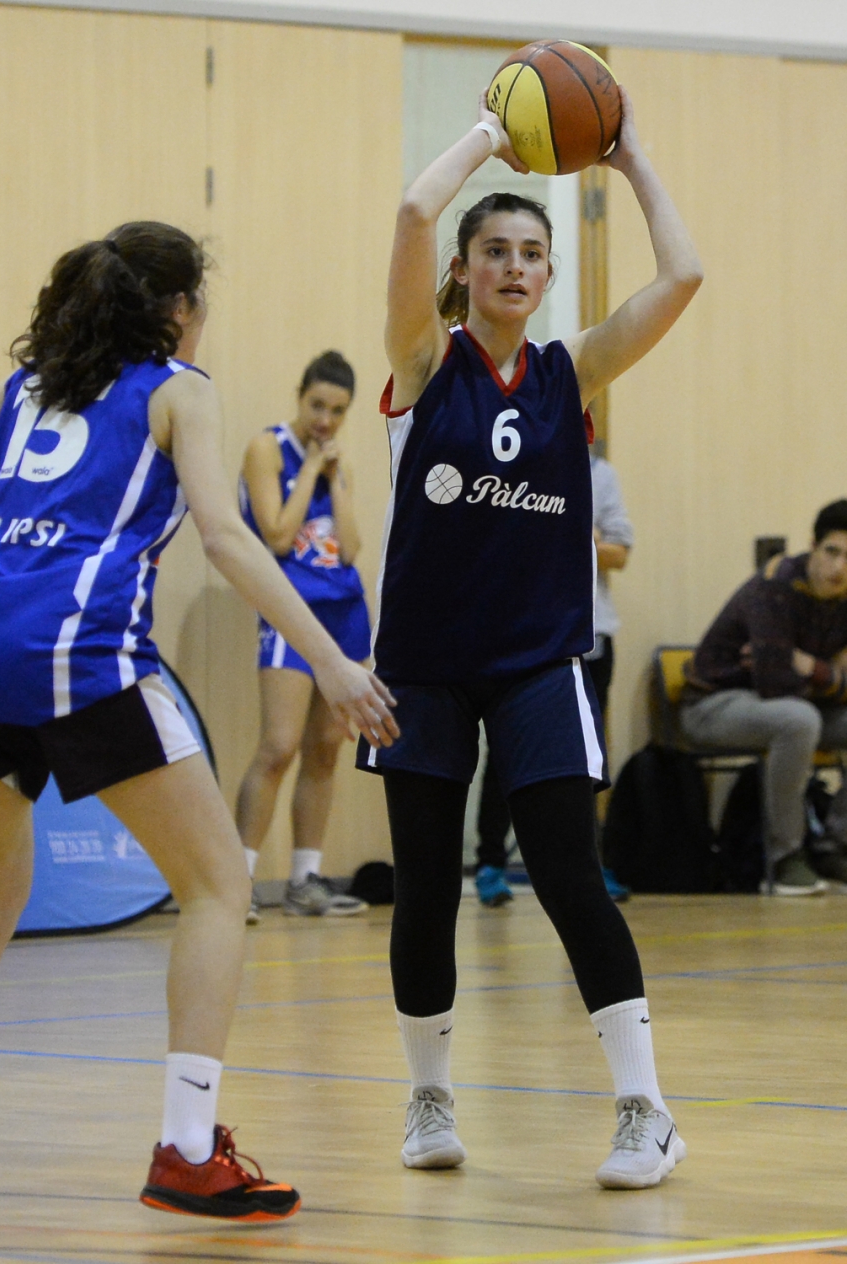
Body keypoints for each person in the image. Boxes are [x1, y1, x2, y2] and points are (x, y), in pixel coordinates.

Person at [0, 222, 397, 1224]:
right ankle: (187, 1150)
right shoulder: (177, 388)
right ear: (180, 309)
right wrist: (330, 659)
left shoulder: (29, 387)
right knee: (218, 885)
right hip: (84, 662)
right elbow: (227, 538)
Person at [356, 88, 702, 1188]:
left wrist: (630, 158)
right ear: (463, 271)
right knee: (425, 889)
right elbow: (414, 212)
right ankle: (428, 1098)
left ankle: (645, 1109)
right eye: (495, 251)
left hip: (536, 668)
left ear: (549, 275)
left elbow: (682, 277)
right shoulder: (424, 360)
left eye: (531, 254)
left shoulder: (570, 372)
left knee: (568, 877)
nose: (513, 266)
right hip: (421, 670)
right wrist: (490, 136)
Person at [235, 351, 372, 922]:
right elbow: (276, 535)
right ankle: (236, 884)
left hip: (343, 614)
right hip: (290, 611)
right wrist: (313, 470)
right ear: (300, 395)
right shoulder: (267, 449)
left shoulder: (339, 463)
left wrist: (335, 479)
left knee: (326, 748)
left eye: (338, 411)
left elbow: (352, 550)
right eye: (318, 405)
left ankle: (304, 880)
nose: (325, 420)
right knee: (279, 746)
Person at [474, 450, 634, 907]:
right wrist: (577, 535)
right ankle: (490, 862)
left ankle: (590, 863)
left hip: (589, 633)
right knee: (503, 751)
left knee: (588, 757)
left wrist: (565, 535)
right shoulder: (508, 459)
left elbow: (619, 553)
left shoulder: (601, 474)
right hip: (518, 629)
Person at [680, 499, 847, 894]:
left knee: (799, 716)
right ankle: (785, 858)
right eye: (832, 552)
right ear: (812, 546)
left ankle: (835, 847)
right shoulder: (776, 584)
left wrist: (810, 667)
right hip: (713, 705)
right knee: (798, 720)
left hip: (795, 704)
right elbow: (775, 683)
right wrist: (830, 675)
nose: (840, 567)